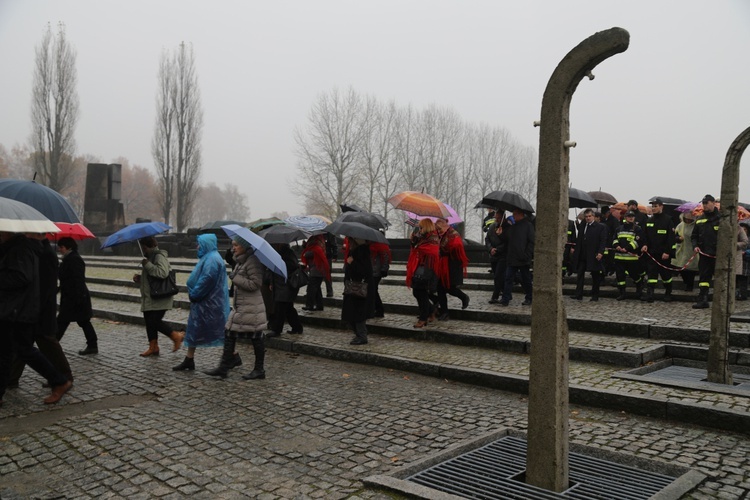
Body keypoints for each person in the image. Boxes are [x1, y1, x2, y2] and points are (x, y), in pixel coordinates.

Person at [0, 231, 71, 406]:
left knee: (23, 350)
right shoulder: (15, 247)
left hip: (19, 310)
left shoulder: (21, 249)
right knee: (7, 352)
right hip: (14, 309)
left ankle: (60, 380)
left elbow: (21, 276)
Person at [205, 236, 265, 379]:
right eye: (233, 245)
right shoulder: (241, 261)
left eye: (236, 245)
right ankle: (224, 367)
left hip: (251, 308)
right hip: (242, 307)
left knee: (256, 337)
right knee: (230, 332)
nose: (234, 248)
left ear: (244, 246)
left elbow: (255, 284)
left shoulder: (253, 261)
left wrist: (236, 278)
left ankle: (259, 370)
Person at [174, 234, 230, 371]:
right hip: (205, 302)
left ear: (206, 244)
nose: (197, 246)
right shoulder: (209, 257)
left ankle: (231, 356)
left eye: (199, 244)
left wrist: (194, 294)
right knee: (195, 330)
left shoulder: (212, 259)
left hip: (208, 303)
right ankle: (189, 359)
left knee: (216, 331)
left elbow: (207, 279)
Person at [134, 236, 184, 357]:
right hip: (150, 297)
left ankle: (176, 336)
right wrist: (140, 279)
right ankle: (153, 347)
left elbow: (162, 273)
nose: (143, 250)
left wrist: (147, 265)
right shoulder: (150, 257)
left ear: (148, 246)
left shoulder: (159, 256)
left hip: (160, 297)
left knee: (154, 321)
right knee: (149, 322)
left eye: (144, 247)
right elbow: (152, 279)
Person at [55, 237, 99, 354]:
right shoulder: (68, 259)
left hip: (75, 297)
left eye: (62, 247)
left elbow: (77, 279)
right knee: (82, 321)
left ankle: (52, 345)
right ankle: (92, 344)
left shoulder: (74, 259)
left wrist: (78, 297)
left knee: (63, 322)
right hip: (73, 296)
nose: (60, 250)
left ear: (68, 247)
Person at [406, 219, 440, 328]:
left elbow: (431, 251)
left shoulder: (433, 237)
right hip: (420, 267)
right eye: (419, 228)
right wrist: (414, 241)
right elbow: (416, 248)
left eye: (421, 227)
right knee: (417, 292)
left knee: (422, 293)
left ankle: (423, 318)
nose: (419, 230)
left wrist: (417, 245)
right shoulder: (424, 237)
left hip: (428, 269)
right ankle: (431, 310)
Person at [641, 198, 676, 302]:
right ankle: (650, 294)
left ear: (661, 206)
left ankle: (668, 293)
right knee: (651, 275)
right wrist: (645, 245)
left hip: (663, 254)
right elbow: (645, 236)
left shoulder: (668, 220)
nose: (653, 208)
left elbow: (671, 238)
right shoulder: (649, 221)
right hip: (652, 253)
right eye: (652, 206)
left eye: (656, 206)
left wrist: (667, 252)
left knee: (666, 276)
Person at [266, 243, 304, 336]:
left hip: (286, 285)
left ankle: (277, 330)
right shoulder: (277, 253)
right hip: (279, 284)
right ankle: (297, 327)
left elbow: (292, 266)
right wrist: (271, 282)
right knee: (288, 308)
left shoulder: (288, 253)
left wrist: (279, 262)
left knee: (280, 307)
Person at [435, 217, 469, 319]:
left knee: (450, 288)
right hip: (441, 264)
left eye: (440, 224)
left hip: (452, 264)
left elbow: (457, 246)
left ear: (446, 223)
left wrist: (445, 249)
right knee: (440, 288)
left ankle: (464, 297)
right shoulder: (438, 234)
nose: (439, 226)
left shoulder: (453, 234)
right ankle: (445, 312)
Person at [570, 208, 607, 301]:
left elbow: (603, 241)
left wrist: (600, 252)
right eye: (586, 217)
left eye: (589, 216)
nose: (588, 218)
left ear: (593, 217)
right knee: (580, 274)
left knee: (595, 276)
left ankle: (595, 295)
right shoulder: (583, 225)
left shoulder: (600, 227)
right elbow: (580, 239)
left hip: (593, 254)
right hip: (582, 254)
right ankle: (578, 294)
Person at [500, 209, 535, 306]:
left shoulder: (528, 226)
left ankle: (529, 297)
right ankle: (505, 299)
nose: (513, 216)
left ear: (521, 214)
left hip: (523, 258)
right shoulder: (512, 226)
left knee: (526, 279)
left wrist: (527, 255)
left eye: (515, 214)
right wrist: (501, 229)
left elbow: (531, 242)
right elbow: (505, 238)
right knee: (508, 278)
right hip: (512, 257)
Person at [342, 237, 373, 345]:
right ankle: (359, 334)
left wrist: (352, 263)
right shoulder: (354, 251)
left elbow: (364, 271)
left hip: (359, 287)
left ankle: (362, 335)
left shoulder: (362, 252)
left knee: (358, 313)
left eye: (350, 241)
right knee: (351, 313)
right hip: (352, 286)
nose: (349, 243)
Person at [691, 194, 720, 309]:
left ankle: (721, 300)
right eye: (703, 203)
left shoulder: (721, 218)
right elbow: (694, 236)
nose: (705, 205)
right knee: (704, 278)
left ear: (713, 203)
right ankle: (703, 299)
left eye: (707, 203)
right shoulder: (700, 219)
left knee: (720, 278)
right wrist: (695, 246)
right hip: (704, 254)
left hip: (719, 255)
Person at [613, 210, 646, 300]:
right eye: (629, 216)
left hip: (631, 258)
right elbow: (615, 239)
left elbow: (638, 241)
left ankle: (639, 287)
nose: (631, 218)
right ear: (625, 217)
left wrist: (627, 248)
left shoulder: (637, 229)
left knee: (634, 275)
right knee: (620, 276)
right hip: (619, 257)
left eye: (632, 216)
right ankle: (622, 293)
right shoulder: (618, 229)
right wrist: (617, 246)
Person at [301, 234, 330, 312]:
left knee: (311, 288)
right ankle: (319, 305)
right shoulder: (317, 247)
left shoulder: (316, 248)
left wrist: (305, 249)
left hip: (317, 270)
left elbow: (308, 254)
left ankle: (309, 305)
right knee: (317, 289)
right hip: (318, 270)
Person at [486, 211, 509, 303]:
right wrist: (490, 248)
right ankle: (505, 292)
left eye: (499, 218)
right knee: (497, 276)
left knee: (498, 275)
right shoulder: (492, 226)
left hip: (503, 256)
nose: (497, 220)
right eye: (496, 218)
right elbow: (487, 239)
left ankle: (495, 296)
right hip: (493, 256)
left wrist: (498, 249)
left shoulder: (508, 227)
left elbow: (508, 242)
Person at [672, 212, 699, 291]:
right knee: (682, 268)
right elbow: (675, 235)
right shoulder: (680, 225)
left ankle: (690, 285)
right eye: (686, 219)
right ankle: (686, 282)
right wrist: (678, 239)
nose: (687, 221)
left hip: (692, 250)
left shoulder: (696, 226)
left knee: (691, 269)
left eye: (689, 220)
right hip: (682, 249)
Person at [369, 236, 391, 318]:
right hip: (371, 270)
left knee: (373, 290)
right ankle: (375, 309)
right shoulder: (368, 243)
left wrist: (384, 269)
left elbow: (385, 257)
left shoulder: (381, 245)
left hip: (376, 271)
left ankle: (379, 310)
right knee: (372, 290)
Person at [736, 224, 748, 301]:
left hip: (745, 261)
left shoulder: (739, 230)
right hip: (738, 259)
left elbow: (745, 242)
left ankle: (743, 294)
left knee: (743, 278)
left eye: (745, 229)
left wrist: (746, 252)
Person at [324, 233, 337, 298]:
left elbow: (334, 245)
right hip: (318, 256)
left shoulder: (329, 234)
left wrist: (335, 255)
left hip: (327, 256)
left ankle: (329, 291)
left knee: (327, 274)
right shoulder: (317, 233)